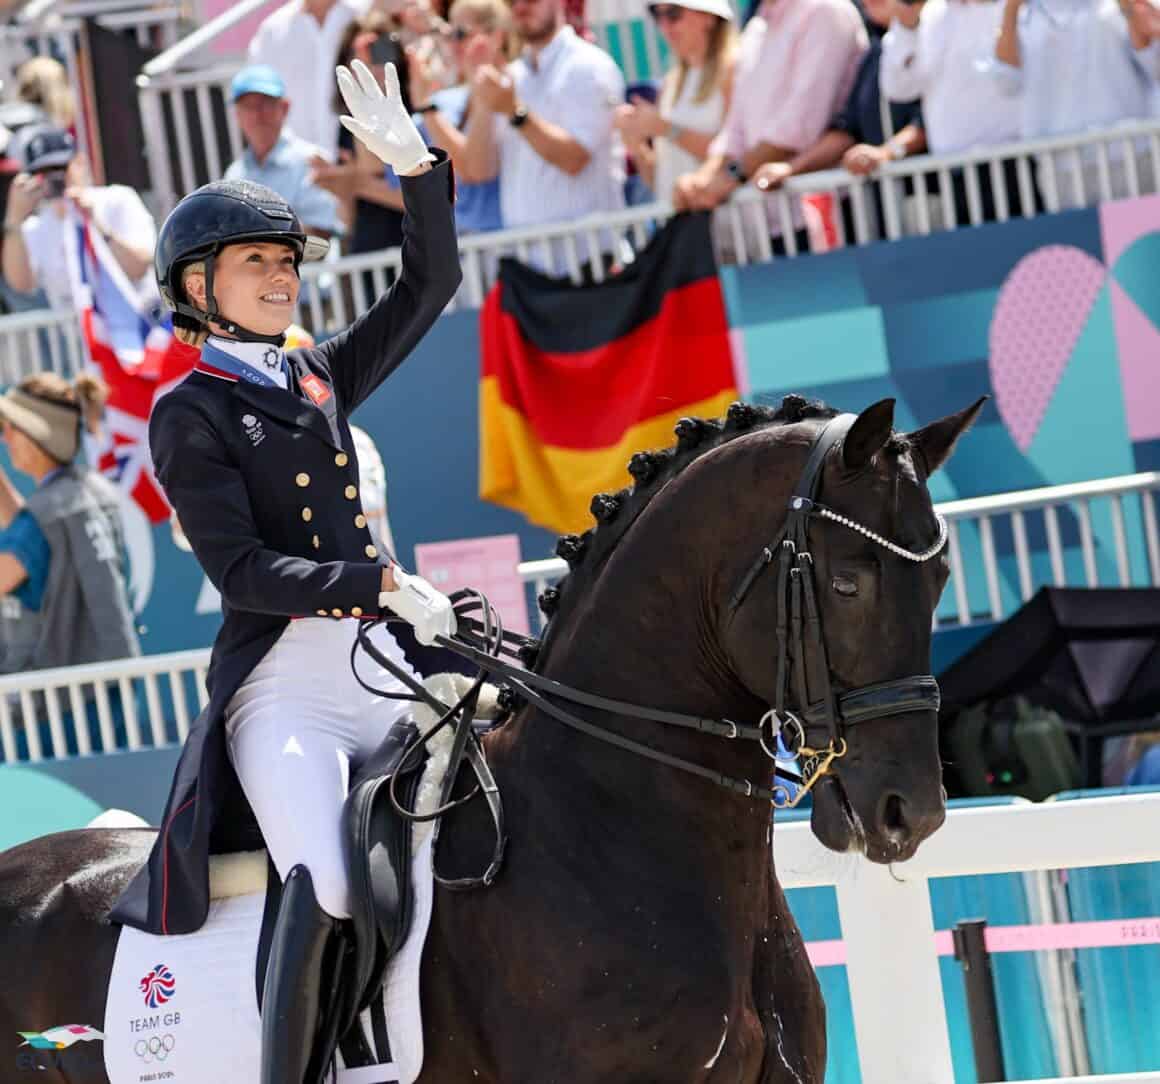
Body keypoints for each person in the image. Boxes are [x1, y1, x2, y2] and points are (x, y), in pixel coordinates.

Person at [109, 60, 461, 1084]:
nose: (280, 276)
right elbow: (245, 572)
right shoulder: (188, 413)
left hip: (377, 669)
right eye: (255, 261)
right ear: (196, 287)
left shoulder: (315, 375)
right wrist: (381, 585)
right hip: (286, 694)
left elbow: (426, 285)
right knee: (328, 879)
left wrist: (418, 170)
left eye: (287, 260)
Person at [671, 0, 866, 252]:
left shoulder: (826, 12)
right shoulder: (756, 28)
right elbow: (736, 127)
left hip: (826, 217)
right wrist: (702, 179)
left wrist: (731, 175)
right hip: (772, 223)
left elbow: (801, 123)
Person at [460, 0, 627, 275]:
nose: (521, 7)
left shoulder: (590, 65)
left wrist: (515, 112)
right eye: (512, 2)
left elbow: (575, 159)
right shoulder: (511, 76)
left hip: (591, 262)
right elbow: (479, 170)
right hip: (529, 269)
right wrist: (481, 96)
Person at [0, 371, 139, 680]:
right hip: (106, 693)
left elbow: (22, 547)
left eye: (10, 428)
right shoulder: (94, 493)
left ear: (38, 436)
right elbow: (33, 533)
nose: (5, 437)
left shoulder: (43, 517)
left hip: (53, 711)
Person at [751, 0, 925, 238]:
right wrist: (791, 168)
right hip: (883, 220)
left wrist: (887, 153)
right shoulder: (874, 54)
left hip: (938, 208)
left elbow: (928, 120)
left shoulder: (936, 36)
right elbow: (847, 130)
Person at [992, 0, 1160, 205]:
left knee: (1138, 235)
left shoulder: (1116, 6)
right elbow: (1006, 82)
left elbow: (1153, 65)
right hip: (1062, 166)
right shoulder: (1019, 13)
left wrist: (1131, 10)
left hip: (1128, 154)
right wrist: (1011, 9)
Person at [880, 0, 1027, 223]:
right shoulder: (930, 14)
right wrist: (906, 29)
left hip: (1022, 165)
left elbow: (1010, 82)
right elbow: (898, 89)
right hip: (957, 177)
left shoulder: (1019, 7)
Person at [2, 125, 156, 312]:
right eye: (43, 173)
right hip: (84, 336)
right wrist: (14, 218)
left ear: (80, 163)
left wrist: (95, 224)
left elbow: (138, 267)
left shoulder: (117, 200)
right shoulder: (34, 228)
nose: (55, 179)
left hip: (141, 327)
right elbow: (21, 284)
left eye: (60, 168)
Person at [612, 0, 739, 206]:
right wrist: (637, 146)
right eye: (657, 15)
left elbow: (736, 154)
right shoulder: (672, 83)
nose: (664, 26)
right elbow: (661, 182)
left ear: (708, 17)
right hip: (685, 226)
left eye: (673, 14)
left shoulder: (733, 69)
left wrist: (664, 127)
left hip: (724, 224)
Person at [405, 0, 510, 233]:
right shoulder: (453, 99)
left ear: (497, 36)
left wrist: (425, 105)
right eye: (450, 33)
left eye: (461, 34)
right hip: (468, 246)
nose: (452, 44)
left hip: (507, 245)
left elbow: (474, 170)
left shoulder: (511, 89)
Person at [224, 65, 344, 241]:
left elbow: (323, 231)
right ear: (237, 114)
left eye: (266, 103)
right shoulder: (233, 175)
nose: (258, 114)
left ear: (285, 108)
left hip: (311, 267)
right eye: (248, 106)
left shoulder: (313, 160)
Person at [248, 0, 369, 158]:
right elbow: (257, 99)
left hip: (366, 169)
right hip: (296, 169)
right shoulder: (272, 31)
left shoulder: (368, 13)